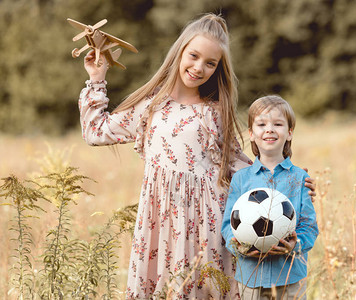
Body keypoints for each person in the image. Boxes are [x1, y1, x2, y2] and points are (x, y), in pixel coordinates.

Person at [78, 13, 315, 299]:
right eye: (194, 55)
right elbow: (95, 131)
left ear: (217, 69)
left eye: (210, 63)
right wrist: (97, 77)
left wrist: (290, 180)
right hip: (160, 225)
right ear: (180, 52)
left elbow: (240, 166)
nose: (199, 67)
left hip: (206, 227)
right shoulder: (151, 106)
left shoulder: (213, 112)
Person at [221, 95, 319, 300]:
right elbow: (227, 226)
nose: (269, 129)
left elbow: (310, 226)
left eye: (278, 124)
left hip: (291, 277)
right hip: (250, 277)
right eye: (262, 124)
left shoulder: (301, 178)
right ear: (251, 134)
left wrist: (296, 244)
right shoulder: (241, 179)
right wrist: (238, 246)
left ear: (289, 133)